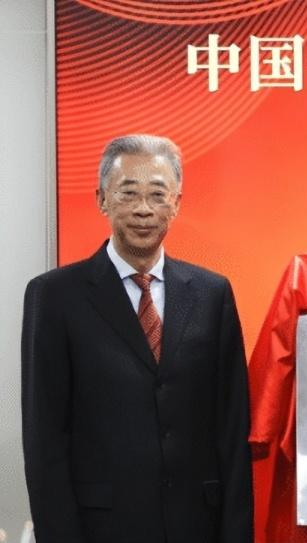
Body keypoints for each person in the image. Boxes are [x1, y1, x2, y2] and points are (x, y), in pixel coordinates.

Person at [21, 134, 253, 542]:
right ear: (102, 199)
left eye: (157, 194)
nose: (143, 209)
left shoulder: (212, 294)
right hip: (101, 529)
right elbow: (45, 440)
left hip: (196, 526)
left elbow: (232, 429)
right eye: (128, 193)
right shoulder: (55, 296)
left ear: (176, 203)